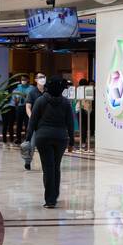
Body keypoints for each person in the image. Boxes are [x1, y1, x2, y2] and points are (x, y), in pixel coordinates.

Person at [27, 75, 75, 208]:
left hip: (43, 138)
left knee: (48, 168)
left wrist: (27, 138)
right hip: (61, 138)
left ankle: (50, 200)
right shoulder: (66, 103)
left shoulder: (41, 101)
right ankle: (54, 194)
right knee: (56, 166)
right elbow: (70, 123)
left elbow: (33, 121)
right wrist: (71, 142)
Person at [22, 73, 46, 170]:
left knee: (45, 144)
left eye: (43, 77)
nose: (42, 79)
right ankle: (28, 162)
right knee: (31, 144)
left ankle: (46, 163)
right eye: (40, 77)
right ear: (35, 80)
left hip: (46, 122)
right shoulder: (32, 93)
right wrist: (32, 118)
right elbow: (28, 107)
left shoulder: (48, 92)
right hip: (35, 122)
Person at [11, 74, 34, 143]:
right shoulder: (17, 87)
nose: (23, 81)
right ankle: (18, 139)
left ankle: (28, 139)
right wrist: (16, 100)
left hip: (28, 107)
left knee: (27, 124)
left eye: (24, 79)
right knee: (19, 124)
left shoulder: (31, 88)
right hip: (19, 107)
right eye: (22, 80)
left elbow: (33, 97)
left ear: (28, 80)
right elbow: (14, 98)